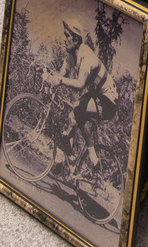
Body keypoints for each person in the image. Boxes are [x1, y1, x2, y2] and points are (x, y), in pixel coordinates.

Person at [44, 19, 119, 176]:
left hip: (109, 101)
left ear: (76, 39)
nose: (65, 39)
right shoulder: (71, 56)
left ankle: (91, 158)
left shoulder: (86, 56)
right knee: (72, 118)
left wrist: (60, 80)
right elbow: (60, 75)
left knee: (77, 111)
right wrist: (46, 73)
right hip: (96, 96)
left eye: (67, 36)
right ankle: (67, 161)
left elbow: (79, 84)